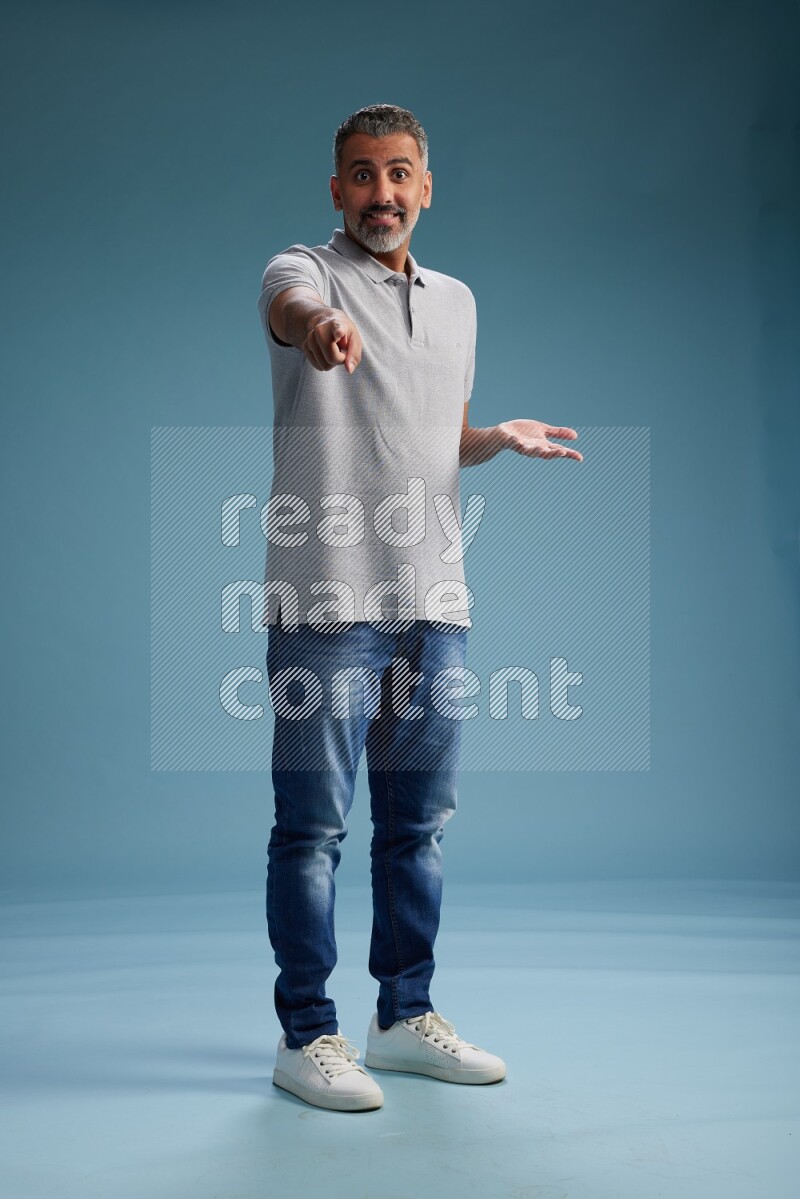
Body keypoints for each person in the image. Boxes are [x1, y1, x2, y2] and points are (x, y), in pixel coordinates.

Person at [257, 103, 582, 1113]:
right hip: (326, 596)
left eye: (398, 173)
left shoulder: (456, 302)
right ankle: (307, 1033)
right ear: (335, 189)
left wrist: (493, 438)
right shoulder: (299, 272)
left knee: (418, 827)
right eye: (360, 174)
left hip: (433, 596)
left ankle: (401, 1017)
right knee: (311, 829)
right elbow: (291, 312)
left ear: (425, 187)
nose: (381, 192)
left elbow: (434, 437)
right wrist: (320, 331)